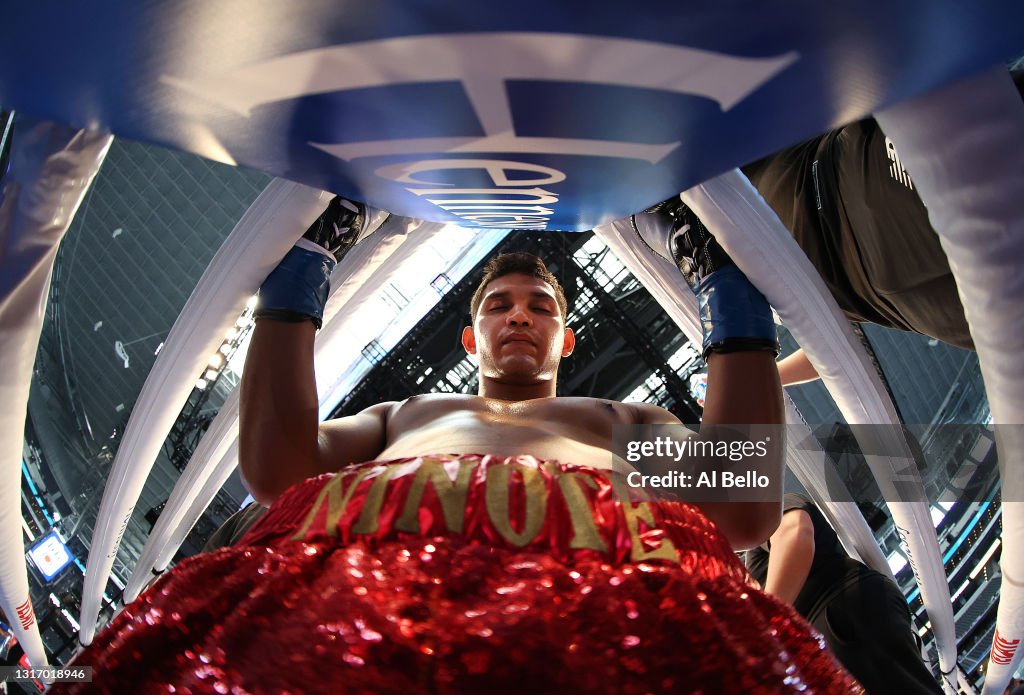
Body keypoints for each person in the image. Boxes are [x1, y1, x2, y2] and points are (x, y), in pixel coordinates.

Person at [56, 199, 861, 693]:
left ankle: (719, 271)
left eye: (540, 305)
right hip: (353, 592)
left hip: (607, 593)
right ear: (473, 334)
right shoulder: (405, 413)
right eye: (501, 304)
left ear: (567, 337)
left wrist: (729, 296)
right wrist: (298, 274)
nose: (519, 315)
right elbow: (277, 466)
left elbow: (744, 506)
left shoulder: (620, 421)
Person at [745, 494, 942, 694]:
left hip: (839, 612)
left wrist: (764, 632)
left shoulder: (759, 514)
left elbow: (796, 532)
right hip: (837, 626)